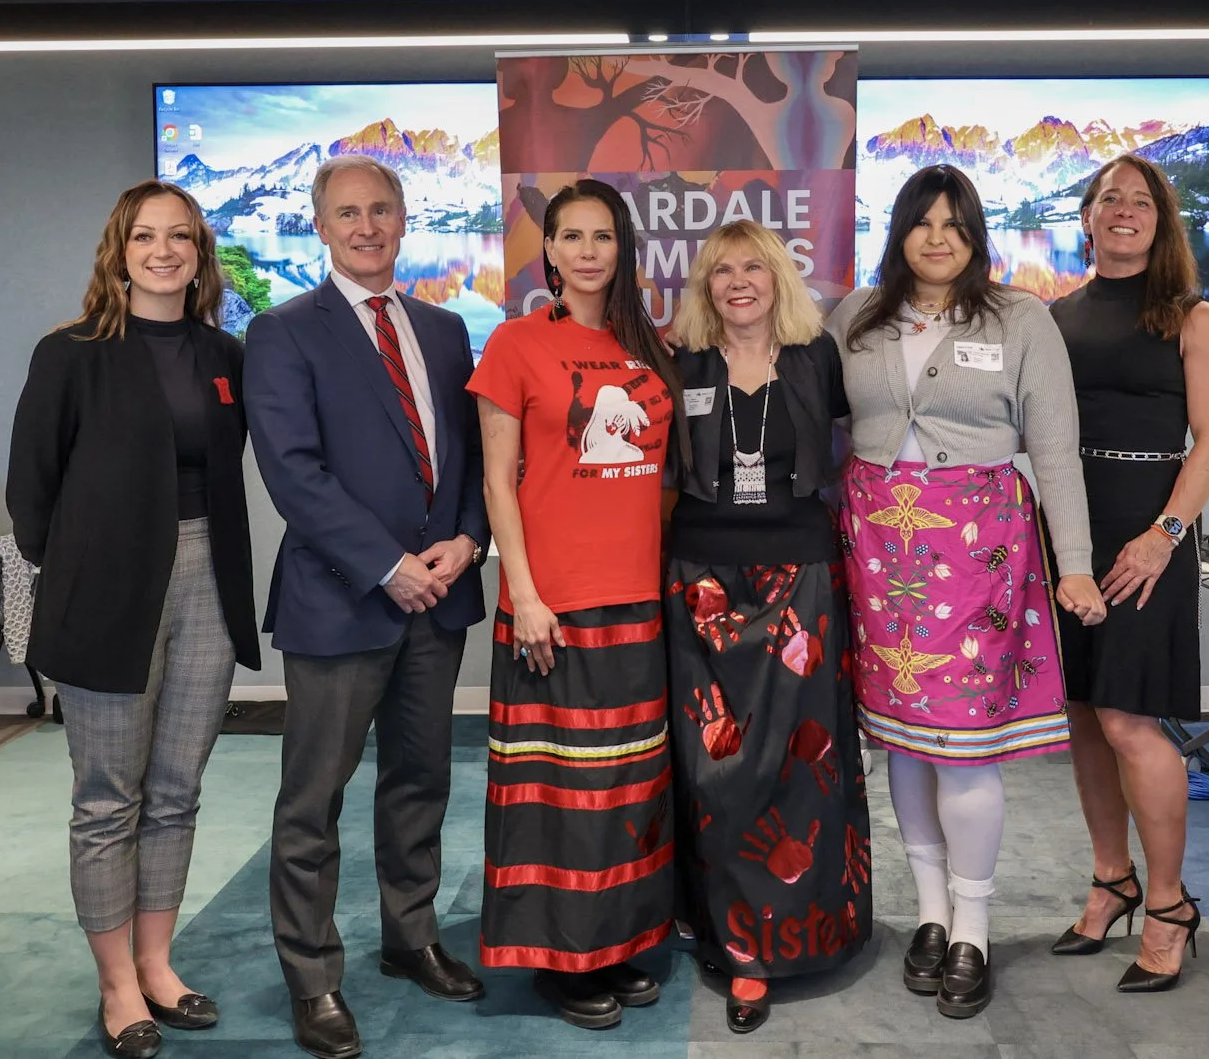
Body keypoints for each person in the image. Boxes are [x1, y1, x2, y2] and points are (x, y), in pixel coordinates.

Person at [829, 163, 1105, 1020]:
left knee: (967, 743)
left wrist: (1077, 562)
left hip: (980, 548)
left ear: (976, 234)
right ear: (899, 233)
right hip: (876, 545)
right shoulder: (855, 317)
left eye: (954, 223)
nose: (937, 237)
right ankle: (931, 914)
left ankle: (975, 928)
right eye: (922, 222)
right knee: (905, 743)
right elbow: (824, 425)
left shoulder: (1022, 319)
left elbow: (1055, 448)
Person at [8, 180, 261, 1059]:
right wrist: (84, 568)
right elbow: (29, 495)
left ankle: (157, 961)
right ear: (119, 252)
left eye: (180, 237)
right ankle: (117, 982)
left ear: (200, 254)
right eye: (146, 237)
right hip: (106, 586)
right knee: (108, 797)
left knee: (178, 788)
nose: (164, 251)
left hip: (207, 581)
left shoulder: (224, 354)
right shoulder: (70, 353)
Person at [245, 157, 490, 1059]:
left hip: (440, 595)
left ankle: (410, 935)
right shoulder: (282, 332)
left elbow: (466, 454)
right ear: (320, 224)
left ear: (402, 216)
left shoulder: (446, 327)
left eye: (381, 209)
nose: (366, 226)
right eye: (347, 212)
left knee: (422, 781)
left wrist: (467, 543)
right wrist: (388, 564)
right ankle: (313, 978)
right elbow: (293, 474)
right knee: (314, 800)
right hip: (343, 601)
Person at [467, 178, 685, 1031]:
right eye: (572, 235)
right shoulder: (517, 343)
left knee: (628, 785)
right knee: (557, 794)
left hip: (639, 597)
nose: (589, 250)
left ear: (622, 249)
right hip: (553, 601)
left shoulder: (648, 348)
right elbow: (497, 478)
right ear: (548, 250)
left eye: (605, 235)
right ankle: (560, 961)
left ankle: (619, 939)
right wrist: (524, 592)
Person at [664, 221, 871, 1035]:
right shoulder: (679, 363)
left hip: (802, 580)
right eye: (722, 270)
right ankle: (732, 937)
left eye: (754, 266)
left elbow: (873, 447)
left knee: (802, 765)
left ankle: (808, 931)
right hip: (701, 583)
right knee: (715, 769)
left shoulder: (820, 355)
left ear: (779, 277)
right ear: (704, 285)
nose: (738, 281)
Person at [1048, 154, 1209, 993]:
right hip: (1070, 533)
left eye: (1140, 201)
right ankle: (1110, 877)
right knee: (1084, 715)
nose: (1123, 210)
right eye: (1108, 198)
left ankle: (1167, 905)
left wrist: (1163, 534)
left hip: (1146, 540)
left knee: (1130, 720)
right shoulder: (1051, 317)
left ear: (1162, 221)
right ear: (1086, 216)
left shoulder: (1195, 319)